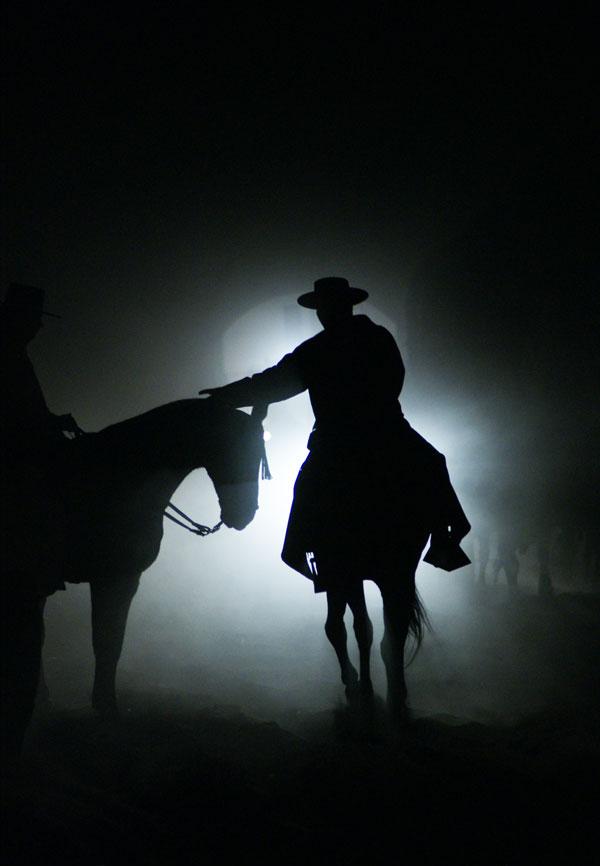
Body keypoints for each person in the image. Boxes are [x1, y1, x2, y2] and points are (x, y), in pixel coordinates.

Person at [200, 276, 470, 714]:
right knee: (431, 465)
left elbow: (274, 382)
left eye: (328, 306)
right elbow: (394, 380)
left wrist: (228, 395)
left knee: (308, 488)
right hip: (386, 430)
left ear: (333, 308)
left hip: (337, 441)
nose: (326, 312)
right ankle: (445, 536)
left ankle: (304, 548)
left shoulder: (317, 350)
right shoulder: (373, 339)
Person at [0, 283, 82, 763]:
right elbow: (17, 422)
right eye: (31, 318)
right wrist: (47, 429)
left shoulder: (15, 354)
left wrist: (50, 421)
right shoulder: (10, 356)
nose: (35, 327)